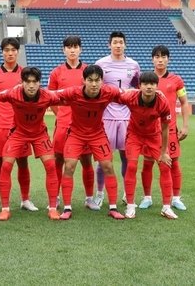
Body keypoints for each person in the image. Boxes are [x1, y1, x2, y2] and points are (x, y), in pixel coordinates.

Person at [0, 67, 62, 221]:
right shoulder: (13, 93)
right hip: (18, 133)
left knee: (51, 166)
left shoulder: (47, 96)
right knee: (6, 166)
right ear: (22, 83)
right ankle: (5, 209)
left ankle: (53, 208)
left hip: (39, 134)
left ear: (40, 83)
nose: (31, 85)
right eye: (28, 82)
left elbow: (70, 95)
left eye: (34, 82)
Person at [56, 64, 126, 220]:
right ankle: (67, 208)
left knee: (108, 166)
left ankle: (113, 207)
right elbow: (51, 96)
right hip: (76, 134)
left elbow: (128, 95)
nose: (94, 84)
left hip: (97, 134)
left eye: (97, 80)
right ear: (84, 81)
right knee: (69, 166)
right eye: (90, 80)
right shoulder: (73, 92)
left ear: (102, 81)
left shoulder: (109, 91)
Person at [0, 37, 36, 211]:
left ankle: (25, 199)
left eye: (13, 50)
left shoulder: (25, 74)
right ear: (2, 52)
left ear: (18, 52)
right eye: (6, 50)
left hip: (20, 127)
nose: (10, 53)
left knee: (23, 163)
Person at [47, 35, 98, 211]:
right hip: (63, 124)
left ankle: (89, 198)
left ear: (80, 49)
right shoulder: (56, 72)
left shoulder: (88, 71)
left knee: (86, 160)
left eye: (75, 46)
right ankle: (56, 197)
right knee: (58, 160)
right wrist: (61, 114)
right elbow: (51, 98)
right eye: (69, 47)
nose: (72, 50)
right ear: (64, 50)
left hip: (84, 125)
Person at [118, 71, 177, 219]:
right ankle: (131, 206)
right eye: (145, 84)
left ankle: (166, 207)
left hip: (153, 136)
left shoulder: (162, 102)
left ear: (157, 86)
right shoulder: (130, 96)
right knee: (131, 166)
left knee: (165, 166)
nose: (149, 87)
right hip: (134, 135)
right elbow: (113, 96)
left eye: (152, 84)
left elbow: (165, 129)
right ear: (140, 86)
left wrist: (164, 152)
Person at [140, 45, 191, 212]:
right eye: (157, 56)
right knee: (148, 164)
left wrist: (184, 125)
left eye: (163, 56)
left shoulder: (177, 80)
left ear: (168, 59)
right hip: (149, 131)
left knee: (173, 163)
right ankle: (147, 197)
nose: (160, 59)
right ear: (152, 59)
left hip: (169, 130)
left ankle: (176, 198)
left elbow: (184, 103)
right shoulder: (147, 79)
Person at [94, 31, 140, 207]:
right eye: (115, 42)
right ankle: (99, 193)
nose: (118, 45)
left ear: (125, 45)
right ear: (109, 45)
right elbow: (95, 86)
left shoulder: (134, 65)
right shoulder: (101, 63)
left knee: (127, 157)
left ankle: (127, 193)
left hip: (127, 117)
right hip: (106, 117)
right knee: (103, 159)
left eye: (121, 42)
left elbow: (137, 87)